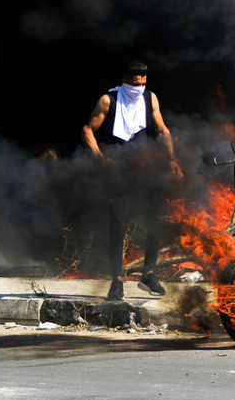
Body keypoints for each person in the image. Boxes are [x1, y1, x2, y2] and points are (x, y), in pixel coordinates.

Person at [82, 60, 183, 300]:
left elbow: (163, 131)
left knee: (156, 221)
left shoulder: (151, 99)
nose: (138, 88)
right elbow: (87, 130)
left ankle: (149, 275)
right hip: (118, 171)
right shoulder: (109, 100)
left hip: (146, 170)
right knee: (117, 226)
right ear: (124, 79)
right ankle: (116, 281)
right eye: (134, 83)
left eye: (143, 84)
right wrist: (99, 157)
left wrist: (171, 159)